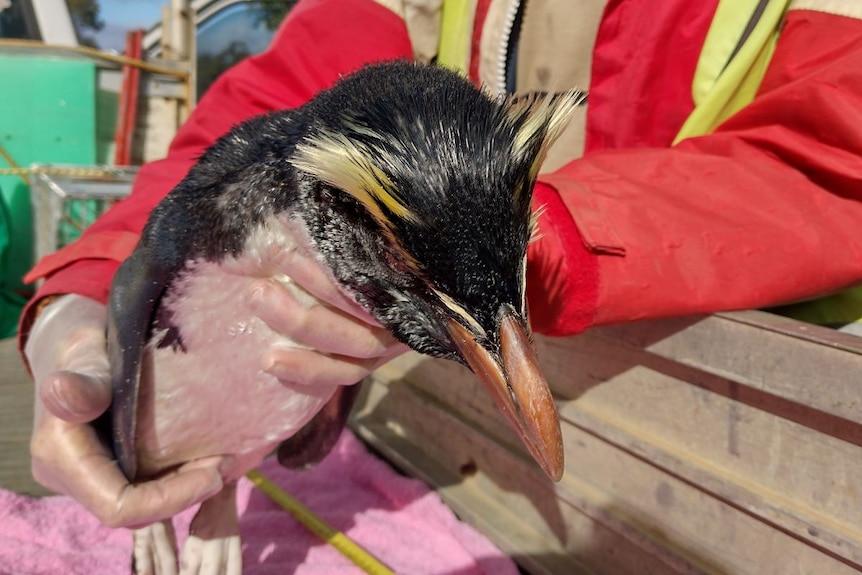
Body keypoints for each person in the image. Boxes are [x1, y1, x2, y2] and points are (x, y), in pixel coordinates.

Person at [19, 0, 862, 528]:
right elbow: (259, 129)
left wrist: (525, 240)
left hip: (768, 438)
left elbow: (840, 133)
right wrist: (88, 297)